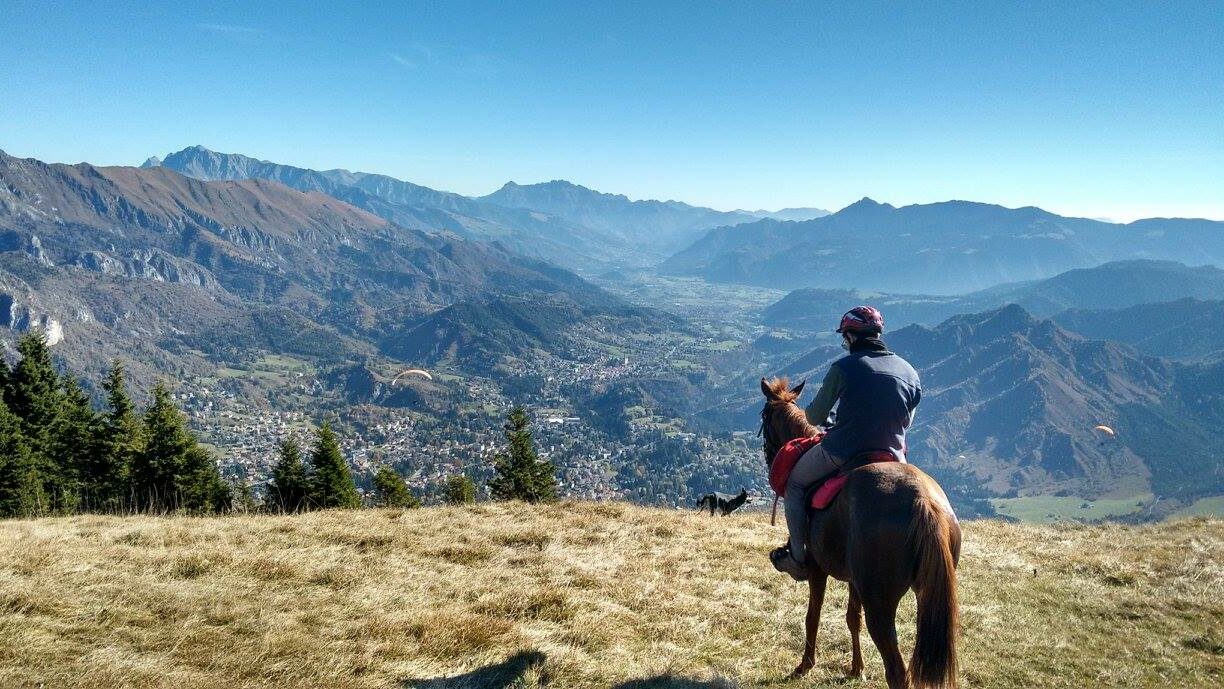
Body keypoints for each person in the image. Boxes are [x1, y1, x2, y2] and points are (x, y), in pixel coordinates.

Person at [770, 305, 922, 580]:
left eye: (845, 337)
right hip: (893, 456)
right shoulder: (910, 372)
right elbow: (907, 422)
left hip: (843, 451)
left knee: (795, 484)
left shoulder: (844, 368)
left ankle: (797, 558)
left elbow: (814, 416)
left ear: (851, 336)